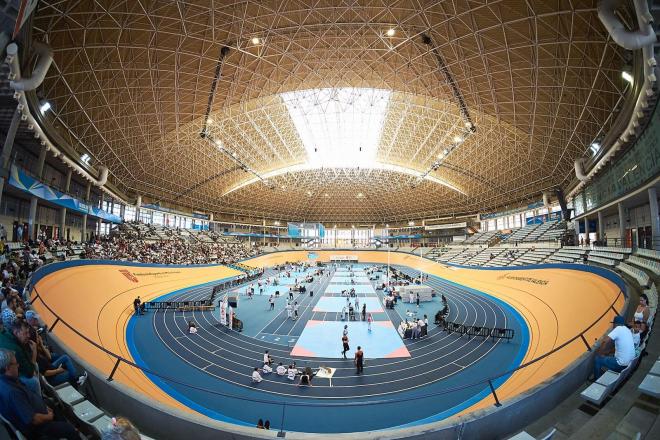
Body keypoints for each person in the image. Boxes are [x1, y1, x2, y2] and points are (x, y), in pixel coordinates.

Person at [0, 349, 79, 439]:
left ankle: (63, 424)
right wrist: (48, 416)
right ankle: (69, 430)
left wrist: (44, 406)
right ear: (7, 368)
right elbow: (33, 420)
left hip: (33, 413)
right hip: (37, 430)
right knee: (68, 430)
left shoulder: (7, 380)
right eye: (15, 363)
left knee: (49, 403)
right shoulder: (12, 392)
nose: (18, 365)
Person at [0, 319, 40, 397]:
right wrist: (34, 351)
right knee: (33, 381)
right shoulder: (15, 349)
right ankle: (40, 401)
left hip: (3, 373)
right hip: (7, 379)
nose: (28, 335)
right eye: (26, 333)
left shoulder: (5, 333)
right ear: (16, 333)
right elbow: (30, 373)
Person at [593, 316, 635, 380]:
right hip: (630, 364)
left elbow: (605, 341)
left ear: (615, 324)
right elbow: (620, 347)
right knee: (607, 356)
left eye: (613, 324)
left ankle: (597, 379)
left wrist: (599, 353)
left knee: (597, 359)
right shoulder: (628, 330)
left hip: (621, 365)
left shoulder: (618, 329)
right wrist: (608, 352)